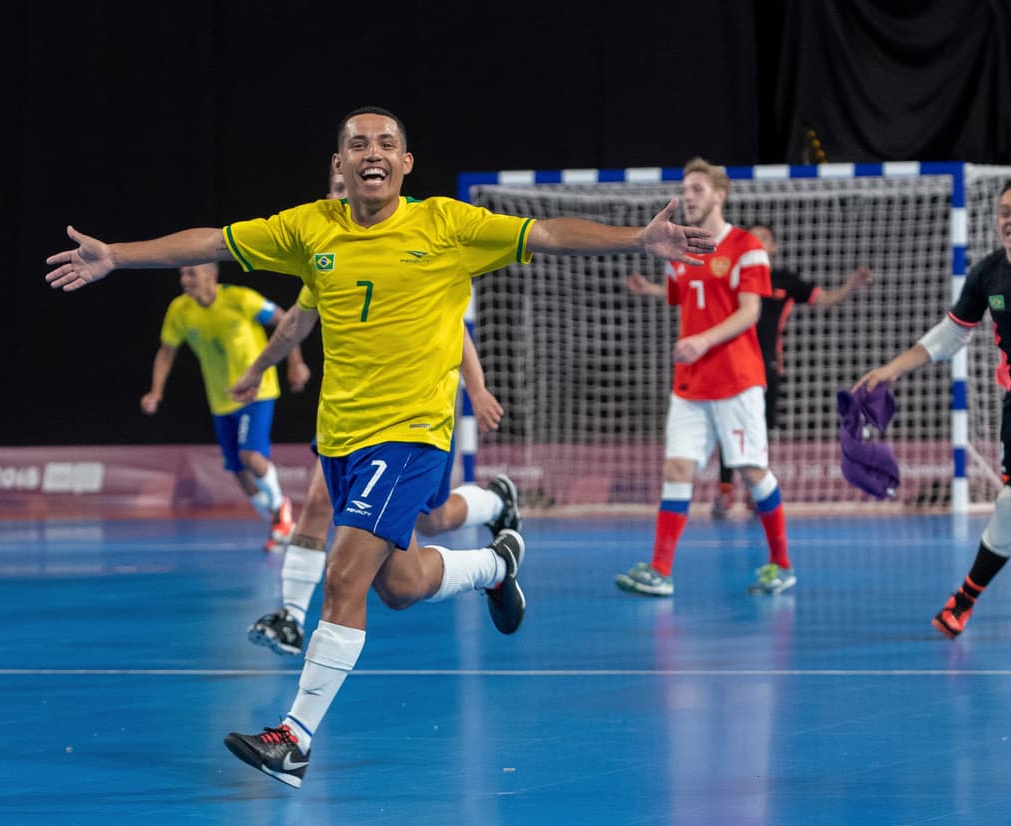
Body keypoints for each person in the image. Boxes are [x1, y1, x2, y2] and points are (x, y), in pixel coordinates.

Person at [47, 105, 713, 788]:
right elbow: (214, 243)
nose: (373, 152)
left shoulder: (447, 224)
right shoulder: (310, 228)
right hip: (341, 437)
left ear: (406, 163)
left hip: (412, 433)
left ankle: (294, 737)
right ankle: (494, 562)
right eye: (358, 144)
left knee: (344, 576)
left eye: (387, 143)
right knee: (395, 586)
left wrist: (638, 236)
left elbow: (545, 232)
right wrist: (117, 256)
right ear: (340, 165)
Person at [855, 177, 1011, 639]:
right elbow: (953, 333)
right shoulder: (989, 275)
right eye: (1006, 212)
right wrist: (890, 369)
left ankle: (963, 600)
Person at [243, 314, 521, 656]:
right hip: (351, 411)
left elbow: (453, 326)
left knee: (430, 524)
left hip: (415, 418)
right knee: (319, 501)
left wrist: (476, 390)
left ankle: (496, 506)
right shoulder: (331, 260)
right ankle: (291, 618)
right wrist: (258, 369)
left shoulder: (419, 266)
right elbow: (298, 318)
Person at [614, 157, 794, 597]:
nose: (687, 196)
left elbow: (750, 313)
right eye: (685, 189)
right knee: (676, 467)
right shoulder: (678, 250)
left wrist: (702, 342)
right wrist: (652, 290)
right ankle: (660, 570)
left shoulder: (746, 246)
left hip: (737, 378)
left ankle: (781, 564)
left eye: (696, 189)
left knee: (753, 471)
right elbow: (685, 296)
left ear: (720, 194)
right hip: (690, 382)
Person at [629, 224, 872, 518]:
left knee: (757, 432)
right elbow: (689, 292)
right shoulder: (731, 273)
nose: (758, 240)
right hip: (725, 363)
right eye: (753, 235)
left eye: (765, 237)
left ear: (774, 248)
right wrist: (652, 289)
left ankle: (757, 496)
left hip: (765, 367)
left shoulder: (784, 281)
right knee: (723, 427)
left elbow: (826, 300)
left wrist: (850, 286)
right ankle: (725, 492)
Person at [140, 260, 308, 551]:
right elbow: (166, 352)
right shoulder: (180, 310)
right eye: (182, 274)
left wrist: (296, 363)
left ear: (211, 275)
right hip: (221, 401)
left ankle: (282, 508)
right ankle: (279, 524)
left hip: (257, 391)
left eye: (191, 273)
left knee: (251, 456)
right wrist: (156, 391)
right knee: (239, 473)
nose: (184, 280)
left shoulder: (240, 299)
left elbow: (286, 322)